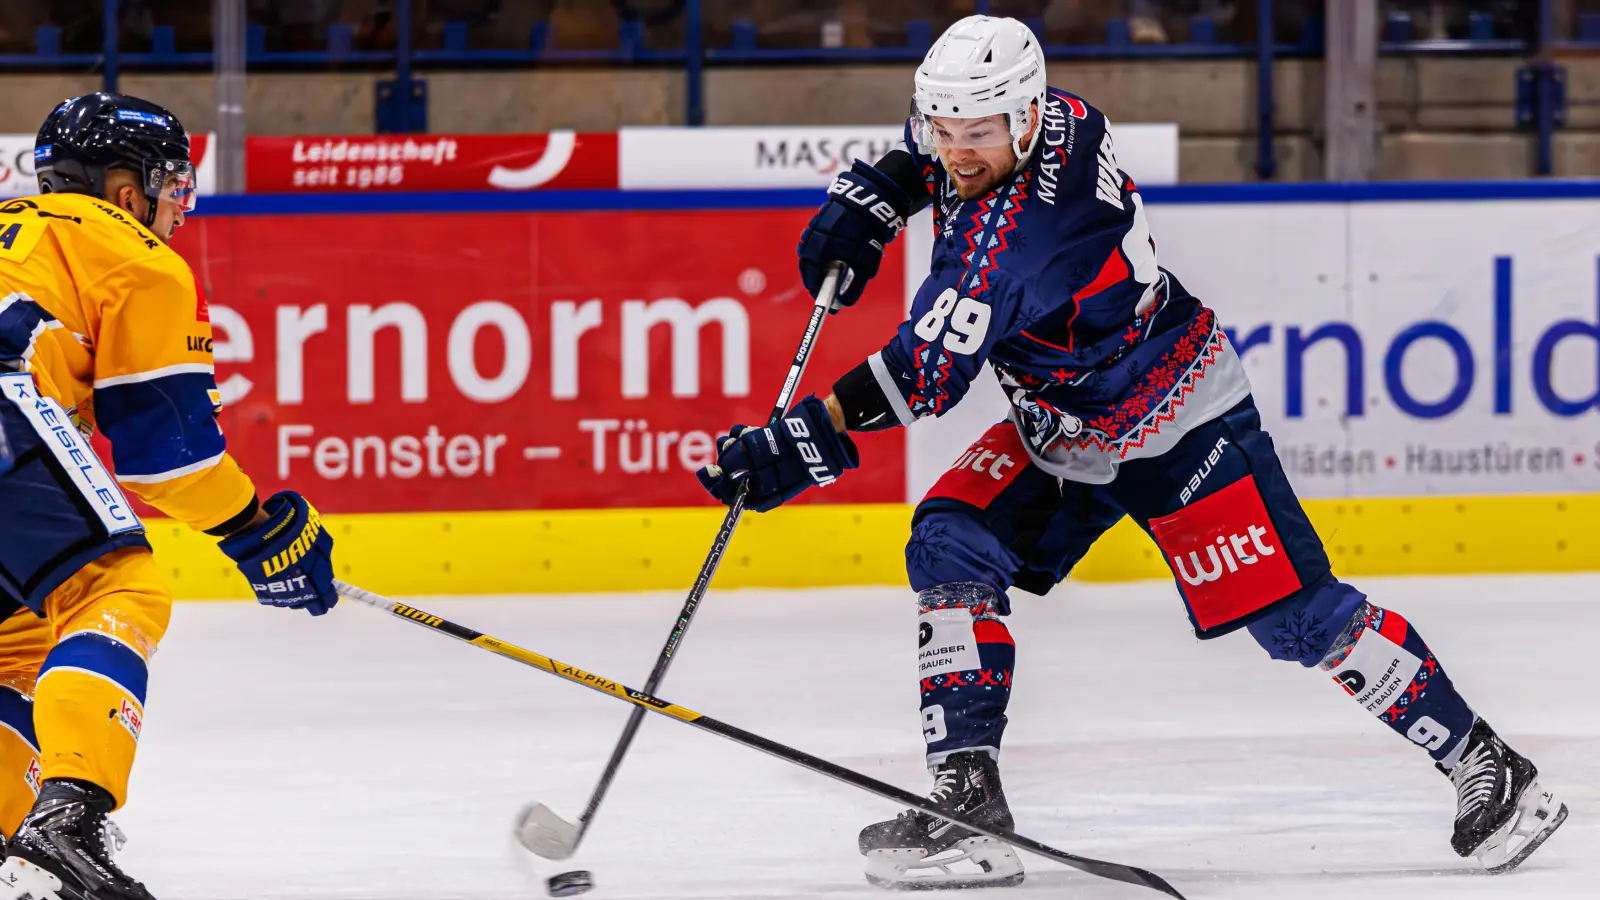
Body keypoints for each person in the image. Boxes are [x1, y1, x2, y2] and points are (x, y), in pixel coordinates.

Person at [696, 14, 1567, 890]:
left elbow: (921, 378)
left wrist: (800, 444)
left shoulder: (1022, 241)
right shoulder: (1059, 116)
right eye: (943, 126)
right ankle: (969, 802)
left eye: (978, 131)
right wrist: (882, 189)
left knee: (1297, 619)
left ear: (1025, 120)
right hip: (1062, 426)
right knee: (950, 538)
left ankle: (1488, 769)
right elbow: (944, 155)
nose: (958, 150)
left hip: (1179, 421)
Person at [0, 92, 339, 900]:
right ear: (125, 190)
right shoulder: (132, 254)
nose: (174, 206)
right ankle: (67, 820)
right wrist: (259, 533)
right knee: (118, 587)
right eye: (168, 185)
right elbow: (168, 461)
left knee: (15, 643)